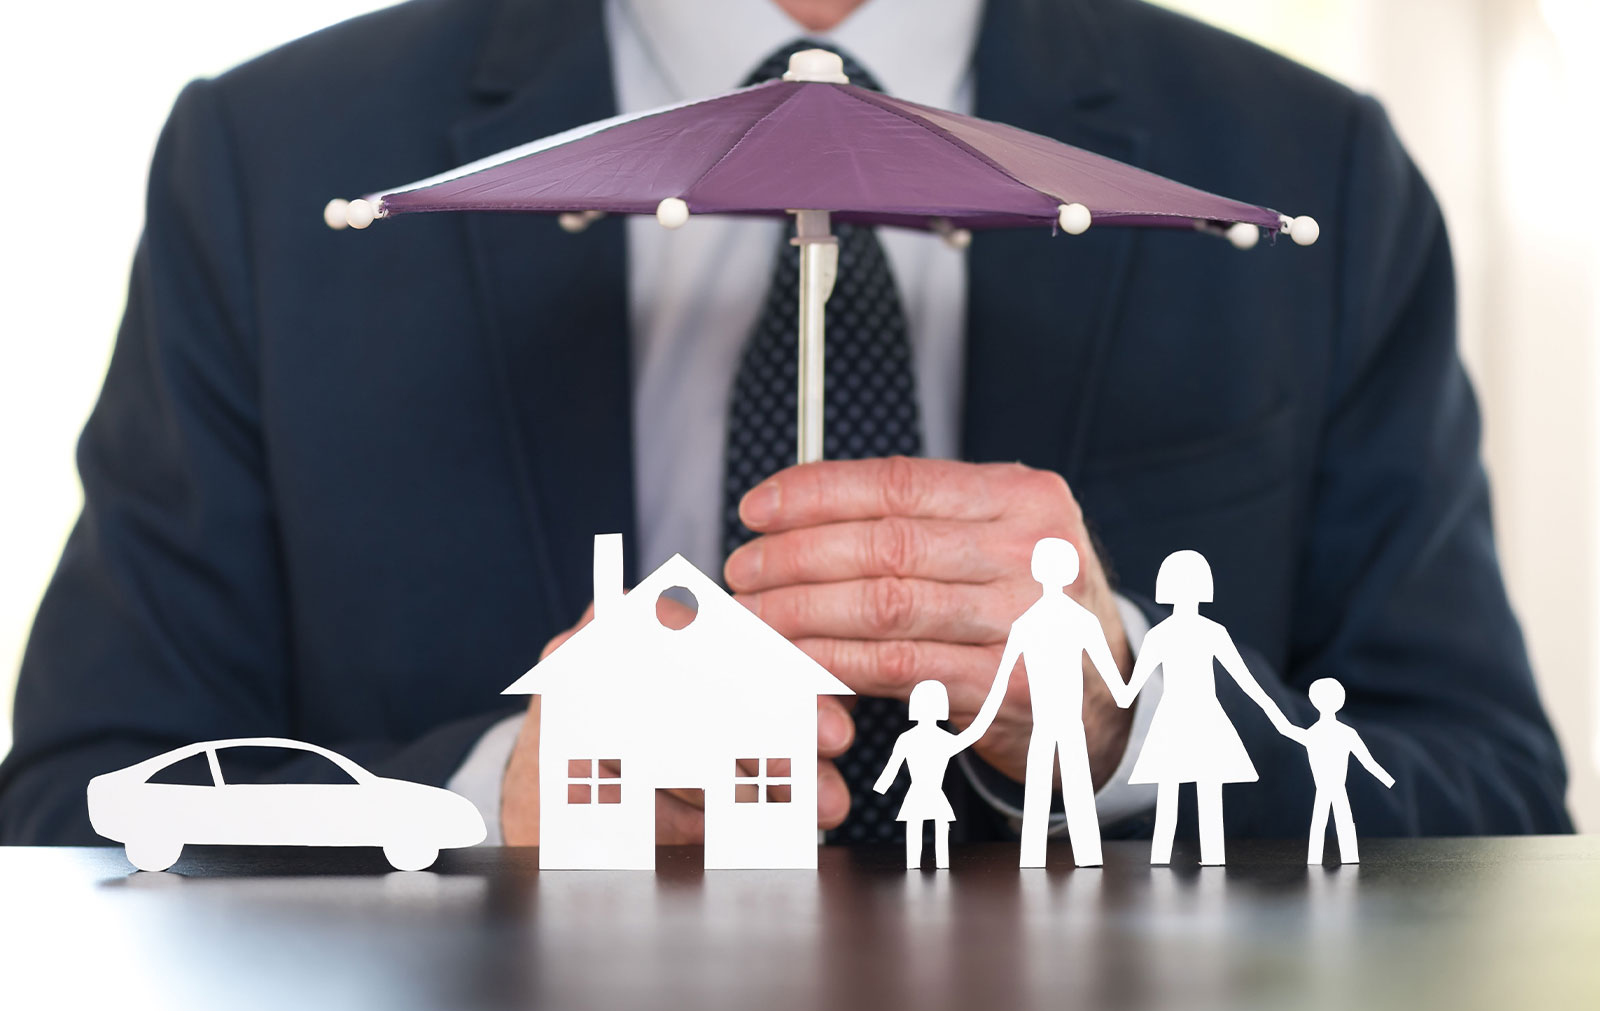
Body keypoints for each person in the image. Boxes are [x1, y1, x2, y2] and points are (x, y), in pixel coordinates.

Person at [0, 0, 1573, 847]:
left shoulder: (1307, 172)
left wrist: (1127, 737)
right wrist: (480, 800)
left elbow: (1491, 789)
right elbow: (72, 803)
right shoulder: (271, 166)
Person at [1121, 551, 1302, 866]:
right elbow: (1247, 683)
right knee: (1201, 795)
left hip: (1184, 717)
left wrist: (1281, 720)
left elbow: (1126, 694)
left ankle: (1176, 859)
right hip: (1196, 716)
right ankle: (1206, 858)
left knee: (1173, 796)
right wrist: (1280, 719)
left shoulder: (1163, 635)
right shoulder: (1206, 632)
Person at [977, 538, 1129, 867]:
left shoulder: (1026, 624)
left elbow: (999, 687)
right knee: (1078, 793)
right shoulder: (1081, 621)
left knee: (1039, 797)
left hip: (1047, 728)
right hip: (1064, 726)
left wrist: (972, 732)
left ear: (1036, 570)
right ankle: (1085, 857)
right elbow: (1119, 687)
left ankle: (1036, 858)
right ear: (1072, 570)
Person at [872, 679, 997, 868]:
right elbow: (892, 767)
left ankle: (934, 866)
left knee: (932, 834)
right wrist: (881, 788)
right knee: (923, 834)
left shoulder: (916, 739)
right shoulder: (923, 739)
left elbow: (891, 768)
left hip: (931, 794)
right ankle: (926, 866)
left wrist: (990, 708)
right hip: (922, 794)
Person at [1294, 678, 1395, 864]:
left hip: (1332, 788)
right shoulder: (1325, 733)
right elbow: (1368, 762)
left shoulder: (1316, 733)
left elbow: (1368, 762)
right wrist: (1388, 780)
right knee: (1333, 823)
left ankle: (1330, 859)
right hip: (1328, 788)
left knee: (1327, 824)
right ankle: (1329, 859)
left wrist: (1388, 780)